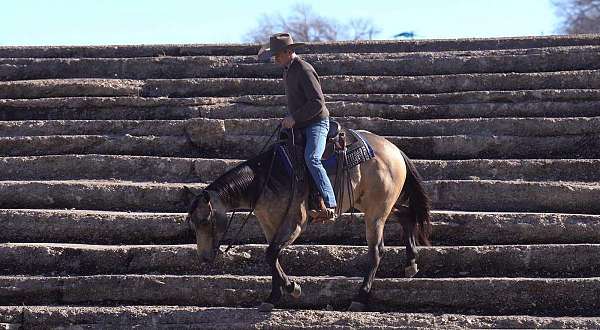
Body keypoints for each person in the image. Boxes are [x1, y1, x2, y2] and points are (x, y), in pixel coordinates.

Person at [258, 32, 337, 222]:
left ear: (289, 51)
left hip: (316, 123)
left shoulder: (303, 69)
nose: (275, 58)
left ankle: (331, 203)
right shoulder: (287, 69)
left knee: (312, 159)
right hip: (301, 124)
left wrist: (294, 117)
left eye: (277, 54)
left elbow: (318, 103)